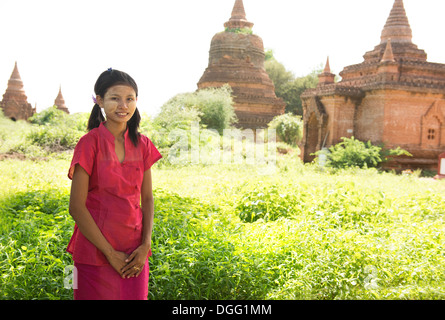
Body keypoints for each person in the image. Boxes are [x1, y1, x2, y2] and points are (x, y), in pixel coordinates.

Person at [67, 68, 162, 300]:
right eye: (114, 98)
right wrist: (110, 253)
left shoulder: (143, 144)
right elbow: (76, 207)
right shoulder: (89, 144)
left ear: (136, 101)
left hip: (134, 254)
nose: (123, 105)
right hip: (94, 251)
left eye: (129, 99)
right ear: (99, 100)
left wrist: (144, 247)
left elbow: (147, 199)